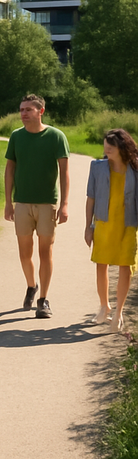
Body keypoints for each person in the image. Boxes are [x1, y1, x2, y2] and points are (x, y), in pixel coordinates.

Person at [4, 94, 70, 319]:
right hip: (22, 202)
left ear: (40, 111)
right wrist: (7, 202)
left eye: (28, 110)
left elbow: (65, 172)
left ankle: (43, 300)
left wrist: (64, 205)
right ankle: (32, 286)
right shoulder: (16, 137)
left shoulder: (56, 136)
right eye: (21, 109)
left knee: (45, 252)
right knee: (25, 253)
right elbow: (10, 170)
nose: (23, 113)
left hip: (46, 204)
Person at [84, 128, 138, 333]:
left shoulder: (135, 168)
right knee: (101, 265)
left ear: (122, 148)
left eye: (111, 148)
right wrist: (88, 226)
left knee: (126, 268)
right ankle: (104, 306)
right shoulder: (97, 168)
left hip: (129, 225)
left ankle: (119, 312)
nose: (106, 151)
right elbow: (90, 198)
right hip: (104, 224)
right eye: (105, 148)